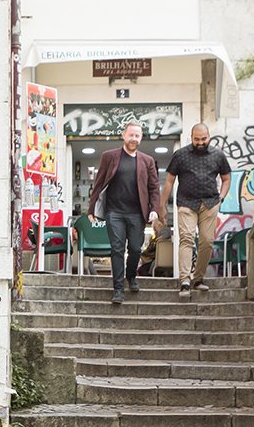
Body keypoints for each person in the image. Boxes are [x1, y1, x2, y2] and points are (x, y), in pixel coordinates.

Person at [89, 122, 166, 304]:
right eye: (131, 135)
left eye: (137, 136)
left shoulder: (147, 161)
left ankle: (131, 277)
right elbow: (99, 183)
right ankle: (118, 289)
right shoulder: (109, 157)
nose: (133, 139)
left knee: (135, 249)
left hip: (137, 213)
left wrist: (154, 209)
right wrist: (91, 208)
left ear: (141, 138)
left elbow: (154, 188)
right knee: (116, 249)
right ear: (123, 135)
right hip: (114, 212)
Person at [162, 123, 233, 296]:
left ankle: (198, 279)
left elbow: (226, 178)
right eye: (197, 139)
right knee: (186, 239)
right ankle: (185, 280)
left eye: (203, 139)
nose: (200, 142)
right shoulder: (180, 155)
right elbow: (169, 181)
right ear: (191, 137)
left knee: (207, 241)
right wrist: (162, 204)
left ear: (209, 137)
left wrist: (221, 198)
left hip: (210, 204)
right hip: (186, 203)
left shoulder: (218, 155)